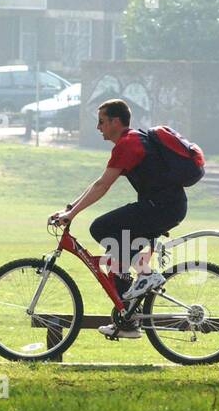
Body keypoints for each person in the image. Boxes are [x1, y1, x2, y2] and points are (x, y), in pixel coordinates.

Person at [49, 99, 190, 339]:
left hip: (162, 208)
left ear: (116, 121)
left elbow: (103, 185)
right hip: (164, 207)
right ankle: (127, 322)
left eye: (101, 121)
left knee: (102, 227)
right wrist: (71, 208)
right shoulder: (132, 140)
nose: (98, 127)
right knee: (117, 264)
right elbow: (99, 183)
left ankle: (146, 274)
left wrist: (71, 215)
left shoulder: (129, 144)